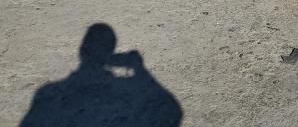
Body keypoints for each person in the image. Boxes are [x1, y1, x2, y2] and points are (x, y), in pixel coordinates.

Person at [20, 23, 182, 127]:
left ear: (82, 51)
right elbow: (173, 110)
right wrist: (140, 70)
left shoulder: (47, 94)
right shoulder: (127, 91)